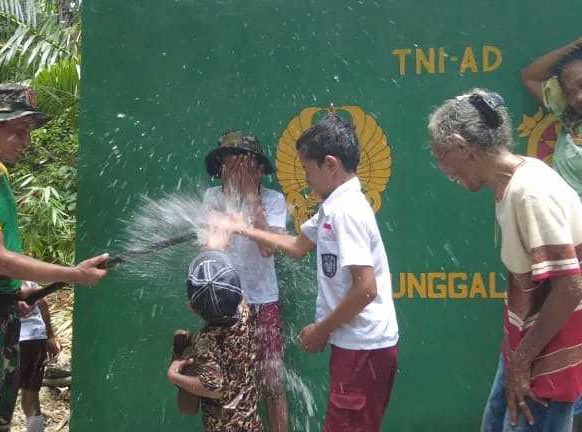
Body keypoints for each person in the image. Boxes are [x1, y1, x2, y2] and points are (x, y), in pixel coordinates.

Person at [0, 83, 108, 431]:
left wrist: (16, 292)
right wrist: (75, 274)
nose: (26, 141)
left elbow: (4, 256)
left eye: (28, 131)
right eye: (19, 131)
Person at [212, 113, 399, 432]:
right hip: (355, 346)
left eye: (307, 169)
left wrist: (322, 329)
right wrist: (243, 229)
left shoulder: (346, 211)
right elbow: (298, 245)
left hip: (363, 349)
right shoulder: (332, 206)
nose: (305, 178)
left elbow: (366, 289)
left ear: (330, 165)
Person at [427, 88, 582, 432]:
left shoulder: (530, 192)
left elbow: (570, 288)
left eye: (441, 156)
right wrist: (516, 357)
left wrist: (523, 361)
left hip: (543, 360)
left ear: (461, 147)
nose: (443, 168)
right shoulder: (515, 182)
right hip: (525, 348)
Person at [203, 130, 289, 432]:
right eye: (229, 164)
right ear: (220, 168)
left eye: (243, 163)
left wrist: (251, 197)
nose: (235, 170)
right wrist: (231, 199)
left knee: (272, 384)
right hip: (226, 308)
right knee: (229, 384)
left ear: (258, 168)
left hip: (264, 302)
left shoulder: (274, 200)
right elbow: (214, 249)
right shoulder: (212, 198)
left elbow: (268, 247)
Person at [166, 225, 262, 432]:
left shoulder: (205, 341)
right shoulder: (244, 311)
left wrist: (175, 377)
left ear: (192, 307)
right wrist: (218, 247)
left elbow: (214, 389)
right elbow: (225, 286)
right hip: (250, 420)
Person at [521, 37, 582, 200]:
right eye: (569, 93)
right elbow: (530, 77)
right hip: (563, 221)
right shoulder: (569, 117)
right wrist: (575, 46)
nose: (578, 97)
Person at [17, 281, 60, 432]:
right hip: (36, 338)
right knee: (31, 396)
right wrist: (50, 337)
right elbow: (42, 302)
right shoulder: (26, 273)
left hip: (11, 342)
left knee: (2, 396)